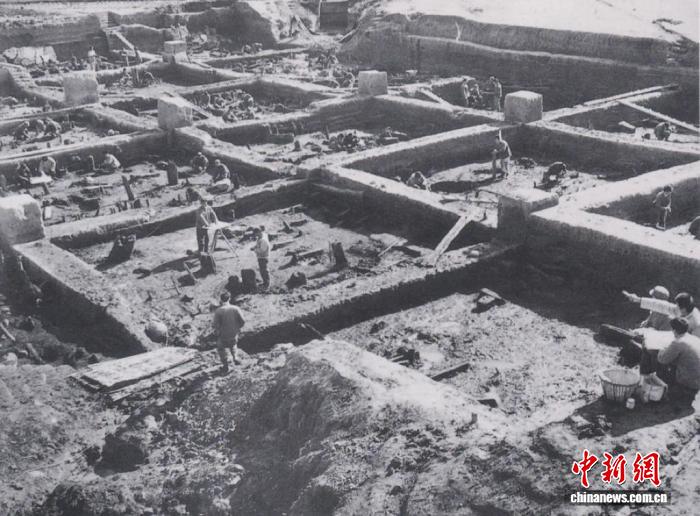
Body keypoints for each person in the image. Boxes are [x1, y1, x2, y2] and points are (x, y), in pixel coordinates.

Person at [656, 318, 700, 405]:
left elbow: (662, 359)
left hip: (688, 380)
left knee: (657, 359)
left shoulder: (678, 342)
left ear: (674, 330)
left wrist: (662, 346)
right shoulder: (695, 338)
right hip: (697, 377)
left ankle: (662, 388)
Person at [624, 291, 700, 337]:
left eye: (676, 305)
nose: (675, 307)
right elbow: (661, 305)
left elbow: (695, 344)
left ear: (683, 309)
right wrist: (638, 299)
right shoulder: (683, 309)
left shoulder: (697, 323)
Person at [212, 291, 245, 373]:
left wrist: (217, 331)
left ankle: (225, 365)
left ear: (221, 300)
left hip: (223, 334)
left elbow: (215, 324)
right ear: (229, 299)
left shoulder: (218, 311)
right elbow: (243, 321)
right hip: (234, 333)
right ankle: (235, 358)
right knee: (233, 344)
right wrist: (237, 328)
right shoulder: (236, 308)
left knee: (221, 348)